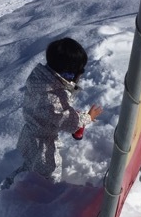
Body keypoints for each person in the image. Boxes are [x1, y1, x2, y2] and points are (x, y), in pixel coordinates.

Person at [12, 38, 103, 184]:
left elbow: (52, 112)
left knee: (30, 167)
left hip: (29, 134)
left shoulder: (40, 80)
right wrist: (87, 117)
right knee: (49, 175)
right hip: (43, 144)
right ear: (68, 73)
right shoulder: (54, 95)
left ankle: (13, 186)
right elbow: (68, 122)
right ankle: (36, 199)